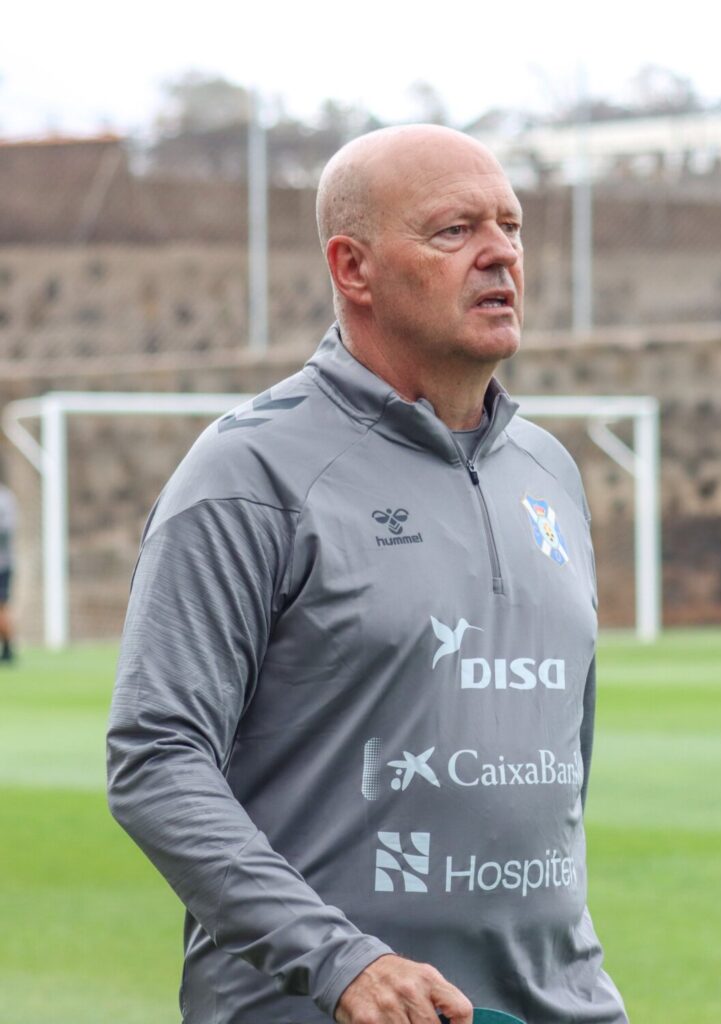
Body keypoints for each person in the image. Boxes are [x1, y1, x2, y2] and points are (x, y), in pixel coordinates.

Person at [107, 124, 628, 1024]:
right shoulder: (250, 474)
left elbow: (559, 767)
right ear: (353, 268)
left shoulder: (551, 472)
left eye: (509, 225)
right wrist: (340, 963)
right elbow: (155, 759)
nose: (500, 252)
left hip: (553, 1002)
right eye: (453, 231)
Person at [0, 478, 17, 664]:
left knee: (2, 607)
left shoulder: (4, 499)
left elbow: (7, 529)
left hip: (2, 565)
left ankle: (7, 648)